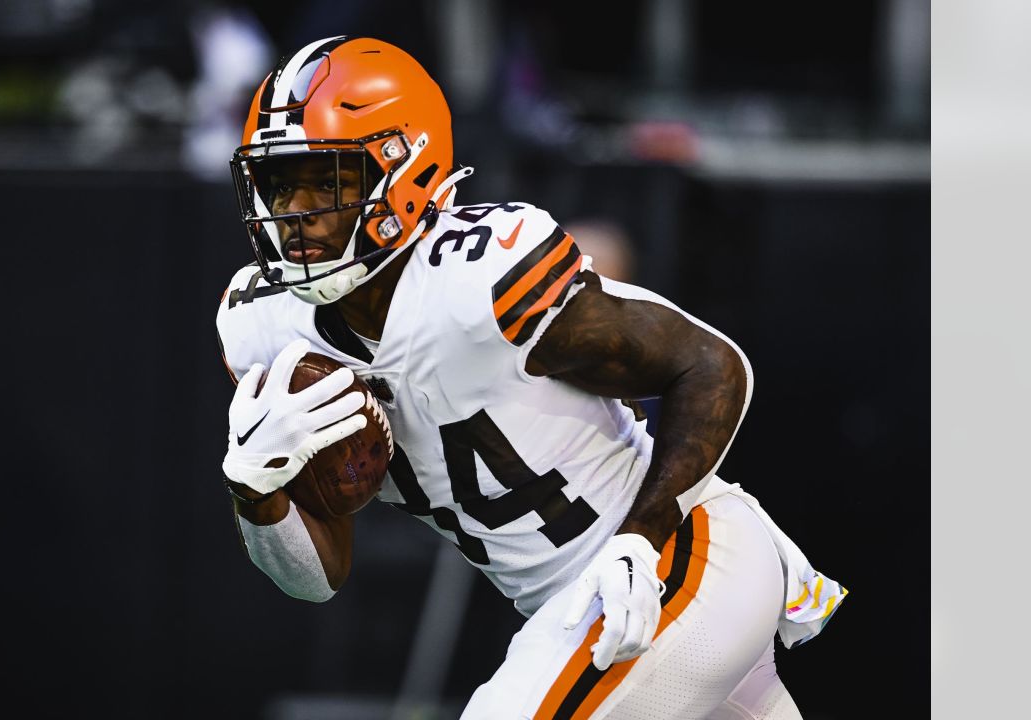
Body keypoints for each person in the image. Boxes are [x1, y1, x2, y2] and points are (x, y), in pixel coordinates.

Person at [215, 36, 847, 720]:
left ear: (404, 172)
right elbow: (317, 581)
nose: (296, 215)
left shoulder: (476, 281)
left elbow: (711, 364)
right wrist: (256, 490)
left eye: (326, 182)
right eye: (279, 184)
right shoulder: (264, 329)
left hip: (676, 557)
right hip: (591, 608)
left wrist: (639, 536)